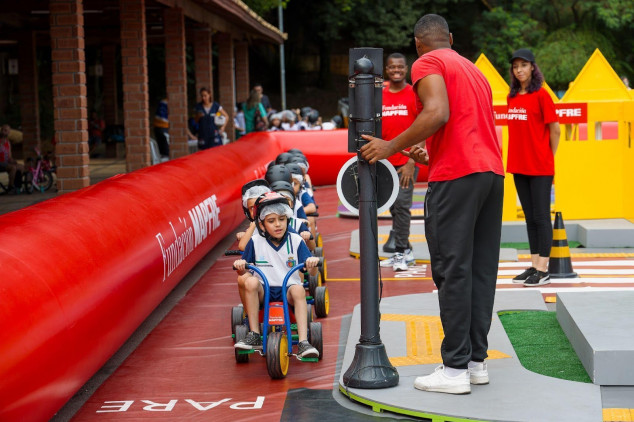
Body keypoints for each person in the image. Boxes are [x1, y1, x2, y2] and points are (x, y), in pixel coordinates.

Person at [360, 14, 505, 395]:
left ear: (418, 44)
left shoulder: (428, 62)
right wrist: (432, 154)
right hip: (490, 173)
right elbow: (461, 125)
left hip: (457, 177)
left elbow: (437, 111)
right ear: (451, 38)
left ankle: (454, 369)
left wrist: (390, 146)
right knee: (479, 271)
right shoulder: (474, 70)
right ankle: (475, 362)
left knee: (452, 270)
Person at [233, 191, 320, 358]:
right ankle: (254, 334)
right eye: (271, 221)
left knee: (299, 290)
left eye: (282, 219)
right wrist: (240, 265)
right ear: (262, 225)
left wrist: (312, 264)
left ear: (288, 219)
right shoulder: (255, 242)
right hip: (264, 289)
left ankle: (303, 342)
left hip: (287, 289)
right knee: (249, 282)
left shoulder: (296, 241)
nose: (278, 225)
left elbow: (312, 272)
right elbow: (242, 271)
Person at [506, 48, 560, 287]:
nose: (519, 70)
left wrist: (549, 156)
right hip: (519, 164)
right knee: (529, 217)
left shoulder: (542, 95)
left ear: (532, 68)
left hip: (540, 165)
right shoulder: (512, 97)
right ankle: (534, 264)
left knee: (541, 217)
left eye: (524, 65)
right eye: (516, 66)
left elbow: (555, 129)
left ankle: (543, 269)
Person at [376, 52, 420, 272]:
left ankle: (401, 252)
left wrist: (412, 161)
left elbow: (424, 127)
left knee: (402, 206)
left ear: (406, 69)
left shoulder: (414, 93)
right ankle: (405, 250)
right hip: (385, 162)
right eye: (392, 67)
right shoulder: (380, 96)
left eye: (400, 67)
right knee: (394, 208)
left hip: (406, 162)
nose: (396, 71)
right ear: (386, 70)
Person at [0, 124, 23, 193]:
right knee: (13, 168)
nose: (6, 132)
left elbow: (10, 156)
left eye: (7, 131)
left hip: (6, 163)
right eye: (4, 130)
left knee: (21, 167)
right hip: (0, 163)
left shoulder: (8, 143)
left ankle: (18, 186)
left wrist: (13, 161)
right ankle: (10, 186)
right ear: (1, 131)